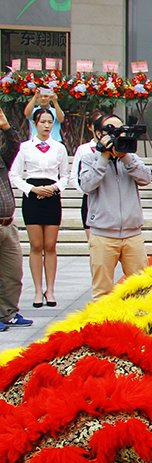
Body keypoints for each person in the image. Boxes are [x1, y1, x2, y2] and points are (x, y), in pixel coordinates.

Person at [77, 114, 152, 298]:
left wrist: (126, 158)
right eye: (111, 130)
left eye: (120, 130)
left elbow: (146, 178)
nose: (117, 135)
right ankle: (104, 326)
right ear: (97, 133)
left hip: (132, 234)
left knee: (143, 289)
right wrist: (103, 157)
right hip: (103, 234)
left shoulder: (130, 158)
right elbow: (87, 185)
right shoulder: (89, 159)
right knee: (102, 291)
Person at [9, 108, 68, 308]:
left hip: (51, 196)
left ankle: (50, 290)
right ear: (35, 123)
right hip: (33, 197)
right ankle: (36, 290)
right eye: (42, 122)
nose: (46, 125)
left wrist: (53, 188)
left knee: (50, 245)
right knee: (36, 246)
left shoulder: (59, 147)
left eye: (49, 122)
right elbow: (14, 174)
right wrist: (32, 189)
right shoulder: (25, 147)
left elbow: (65, 175)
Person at [0, 107, 33, 331]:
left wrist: (5, 126)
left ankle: (8, 313)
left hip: (7, 223)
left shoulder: (2, 157)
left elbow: (15, 146)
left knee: (13, 273)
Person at [69, 110, 107, 238]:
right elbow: (74, 176)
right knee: (93, 244)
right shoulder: (83, 149)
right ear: (91, 127)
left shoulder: (116, 148)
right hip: (89, 198)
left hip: (108, 198)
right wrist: (85, 190)